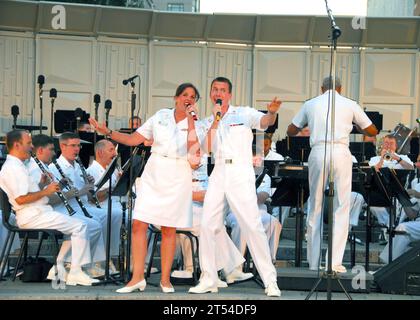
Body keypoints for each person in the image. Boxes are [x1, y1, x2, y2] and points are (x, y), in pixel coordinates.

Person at [89, 82, 202, 293]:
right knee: (139, 224)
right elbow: (133, 139)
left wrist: (192, 121)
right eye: (185, 95)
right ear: (176, 98)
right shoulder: (160, 115)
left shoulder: (197, 123)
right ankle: (137, 277)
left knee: (169, 228)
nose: (189, 99)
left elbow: (195, 153)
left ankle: (165, 280)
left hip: (178, 173)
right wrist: (108, 132)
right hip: (155, 170)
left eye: (193, 96)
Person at [189, 76, 282, 297]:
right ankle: (209, 278)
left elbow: (264, 122)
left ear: (229, 94)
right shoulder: (205, 122)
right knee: (207, 224)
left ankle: (270, 280)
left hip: (240, 171)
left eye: (222, 90)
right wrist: (216, 121)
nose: (218, 93)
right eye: (215, 90)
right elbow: (207, 149)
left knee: (252, 224)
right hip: (219, 171)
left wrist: (272, 113)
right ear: (211, 94)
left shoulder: (243, 113)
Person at [287, 76, 377, 273]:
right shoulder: (349, 103)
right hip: (341, 152)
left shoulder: (310, 103)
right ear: (340, 88)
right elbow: (372, 129)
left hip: (318, 151)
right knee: (341, 207)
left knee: (315, 205)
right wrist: (353, 124)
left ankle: (313, 263)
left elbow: (291, 130)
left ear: (321, 88)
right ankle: (334, 263)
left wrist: (310, 122)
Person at [0, 130, 97, 286]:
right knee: (80, 226)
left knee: (79, 226)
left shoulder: (19, 165)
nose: (32, 147)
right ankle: (75, 272)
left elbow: (27, 192)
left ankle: (63, 268)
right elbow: (20, 198)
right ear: (17, 145)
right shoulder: (12, 168)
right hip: (31, 215)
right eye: (28, 143)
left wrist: (42, 184)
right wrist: (46, 191)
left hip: (39, 212)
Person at [28, 134, 106, 278]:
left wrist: (63, 185)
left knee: (94, 223)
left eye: (78, 146)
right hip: (48, 210)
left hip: (58, 207)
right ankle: (67, 265)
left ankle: (67, 264)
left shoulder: (45, 167)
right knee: (87, 225)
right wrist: (69, 193)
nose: (53, 153)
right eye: (51, 149)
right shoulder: (37, 169)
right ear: (39, 151)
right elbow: (45, 197)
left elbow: (50, 191)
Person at [172, 155, 253, 285]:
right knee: (209, 225)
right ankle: (226, 270)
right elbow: (172, 191)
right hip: (176, 210)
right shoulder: (174, 160)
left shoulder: (206, 164)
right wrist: (196, 195)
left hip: (195, 207)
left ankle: (222, 272)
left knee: (215, 223)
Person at [48, 132, 116, 277]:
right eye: (73, 146)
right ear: (62, 146)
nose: (77, 149)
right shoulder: (55, 168)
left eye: (78, 145)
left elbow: (88, 195)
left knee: (105, 216)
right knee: (94, 223)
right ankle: (72, 263)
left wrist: (90, 185)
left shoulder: (79, 166)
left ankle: (92, 262)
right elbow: (56, 197)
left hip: (81, 207)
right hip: (63, 209)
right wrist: (81, 191)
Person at [86, 139, 123, 271]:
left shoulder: (112, 170)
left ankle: (135, 261)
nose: (115, 153)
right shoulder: (90, 171)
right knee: (114, 215)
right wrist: (114, 187)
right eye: (111, 150)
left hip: (117, 205)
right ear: (100, 152)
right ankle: (106, 259)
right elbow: (92, 198)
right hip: (101, 208)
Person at [368, 135, 414, 233]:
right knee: (374, 206)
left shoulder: (403, 157)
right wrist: (381, 159)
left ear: (396, 146)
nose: (388, 146)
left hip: (398, 192)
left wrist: (397, 158)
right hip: (380, 191)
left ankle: (389, 231)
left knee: (399, 205)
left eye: (391, 143)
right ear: (382, 145)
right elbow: (373, 171)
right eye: (386, 143)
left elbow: (411, 168)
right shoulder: (374, 159)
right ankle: (390, 229)